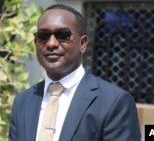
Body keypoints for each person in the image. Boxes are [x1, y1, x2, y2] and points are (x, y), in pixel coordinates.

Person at [8, 4, 141, 141]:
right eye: (43, 36)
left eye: (62, 35)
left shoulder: (114, 102)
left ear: (82, 44)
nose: (51, 43)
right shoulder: (22, 102)